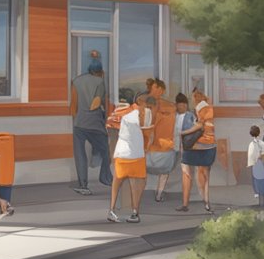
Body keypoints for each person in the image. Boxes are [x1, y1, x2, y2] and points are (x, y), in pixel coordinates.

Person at [108, 92, 153, 223]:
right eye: (146, 102)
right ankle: (134, 212)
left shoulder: (124, 112)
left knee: (117, 181)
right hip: (136, 153)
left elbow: (113, 125)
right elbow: (147, 131)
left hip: (122, 152)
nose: (148, 105)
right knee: (136, 183)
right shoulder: (139, 115)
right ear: (140, 102)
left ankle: (112, 210)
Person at [70, 58, 111, 195]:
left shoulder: (76, 81)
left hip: (79, 124)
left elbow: (73, 106)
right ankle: (105, 177)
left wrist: (77, 119)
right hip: (95, 124)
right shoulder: (100, 82)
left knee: (80, 154)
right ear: (100, 72)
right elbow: (96, 102)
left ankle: (83, 186)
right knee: (105, 149)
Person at [179, 89, 217, 213]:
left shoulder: (199, 109)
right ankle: (206, 202)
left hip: (198, 144)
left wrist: (182, 132)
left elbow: (199, 126)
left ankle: (185, 204)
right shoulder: (210, 107)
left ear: (195, 98)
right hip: (210, 145)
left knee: (186, 170)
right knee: (205, 174)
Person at [154, 93, 191, 203]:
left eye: (184, 105)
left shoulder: (187, 116)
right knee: (166, 171)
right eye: (181, 105)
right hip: (173, 146)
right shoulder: (173, 116)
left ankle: (185, 196)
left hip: (181, 147)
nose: (183, 108)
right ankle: (159, 193)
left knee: (184, 171)